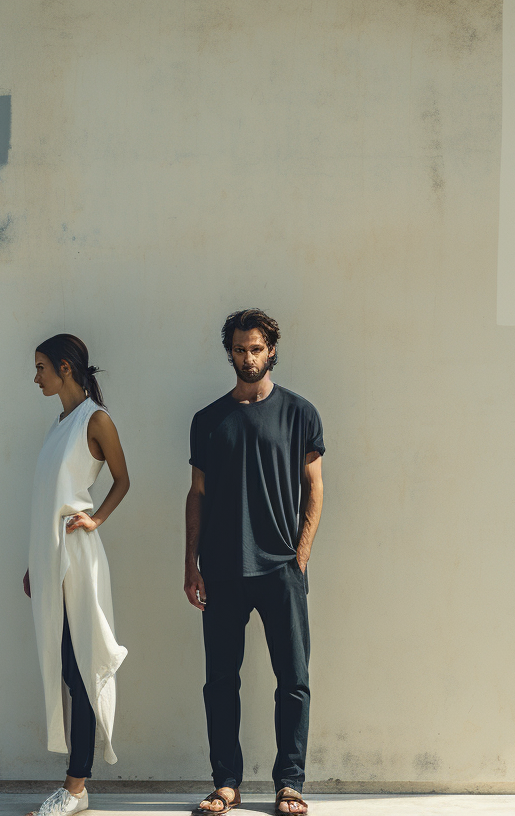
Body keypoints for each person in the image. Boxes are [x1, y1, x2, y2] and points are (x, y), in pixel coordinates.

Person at [187, 309, 324, 816]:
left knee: (293, 679)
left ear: (272, 351)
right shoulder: (208, 420)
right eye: (240, 349)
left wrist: (300, 557)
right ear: (230, 353)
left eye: (257, 348)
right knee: (220, 681)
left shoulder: (300, 413)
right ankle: (226, 782)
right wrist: (190, 564)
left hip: (280, 570)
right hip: (222, 570)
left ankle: (289, 783)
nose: (248, 357)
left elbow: (316, 488)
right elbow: (196, 493)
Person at [22, 334, 131, 816]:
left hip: (79, 560)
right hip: (51, 561)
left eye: (41, 367)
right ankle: (75, 786)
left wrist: (96, 518)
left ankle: (76, 787)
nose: (36, 376)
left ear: (65, 368)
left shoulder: (95, 420)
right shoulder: (60, 423)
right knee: (66, 667)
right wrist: (35, 562)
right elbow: (48, 498)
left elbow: (123, 478)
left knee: (81, 667)